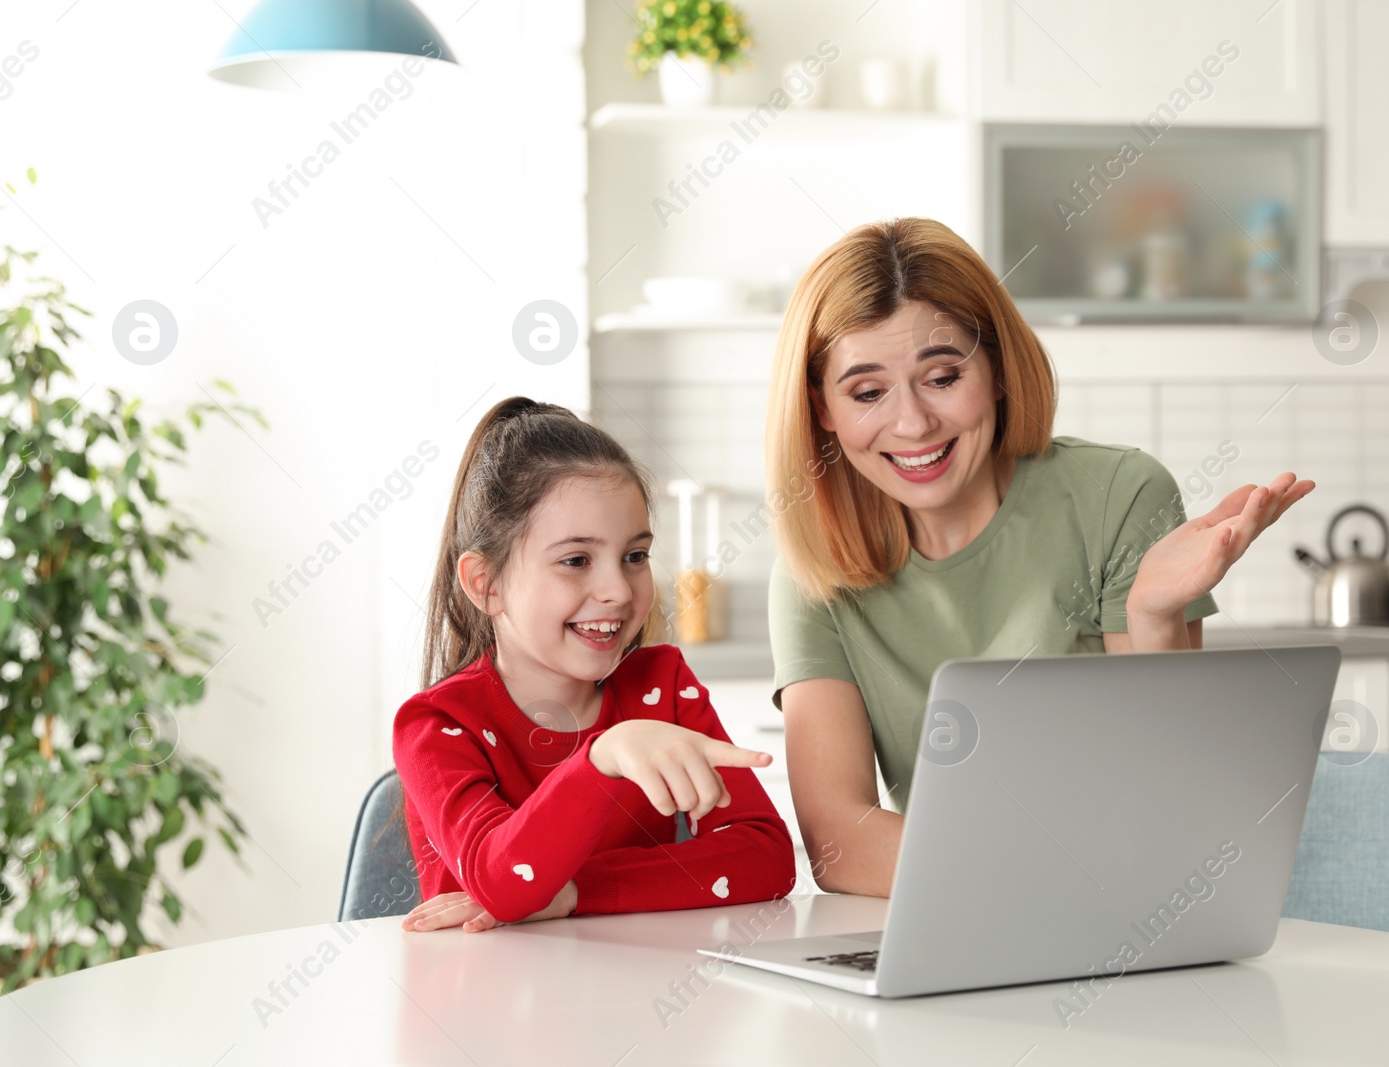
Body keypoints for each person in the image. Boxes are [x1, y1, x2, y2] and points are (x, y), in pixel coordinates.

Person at [765, 217, 1314, 898]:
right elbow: (839, 844)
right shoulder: (814, 570)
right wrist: (1053, 875)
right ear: (823, 407)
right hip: (958, 909)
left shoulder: (1119, 495)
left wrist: (1152, 616)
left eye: (941, 376)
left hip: (1130, 912)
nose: (912, 424)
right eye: (867, 391)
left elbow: (1170, 799)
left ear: (997, 370)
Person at [394, 397, 795, 933]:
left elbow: (765, 859)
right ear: (485, 584)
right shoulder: (436, 725)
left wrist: (576, 892)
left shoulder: (662, 686)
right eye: (576, 561)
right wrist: (600, 758)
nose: (616, 590)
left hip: (629, 996)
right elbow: (501, 880)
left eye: (635, 556)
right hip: (482, 1002)